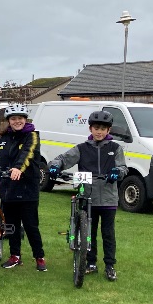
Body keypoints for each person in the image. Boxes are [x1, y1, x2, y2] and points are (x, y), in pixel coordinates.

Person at [49, 110, 127, 281]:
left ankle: (109, 265)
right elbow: (63, 158)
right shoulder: (82, 148)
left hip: (108, 198)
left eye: (103, 128)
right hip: (87, 196)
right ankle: (90, 262)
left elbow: (123, 168)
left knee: (108, 232)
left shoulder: (116, 148)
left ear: (109, 130)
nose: (99, 131)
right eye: (96, 128)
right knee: (88, 232)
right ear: (90, 128)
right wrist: (55, 166)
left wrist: (116, 172)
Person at [0, 104, 47, 272]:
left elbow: (28, 153)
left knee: (31, 225)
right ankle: (15, 256)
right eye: (13, 118)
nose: (17, 121)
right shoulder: (3, 139)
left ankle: (39, 257)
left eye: (20, 118)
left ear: (25, 119)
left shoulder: (32, 136)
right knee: (11, 225)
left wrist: (18, 168)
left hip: (27, 188)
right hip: (8, 188)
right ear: (9, 121)